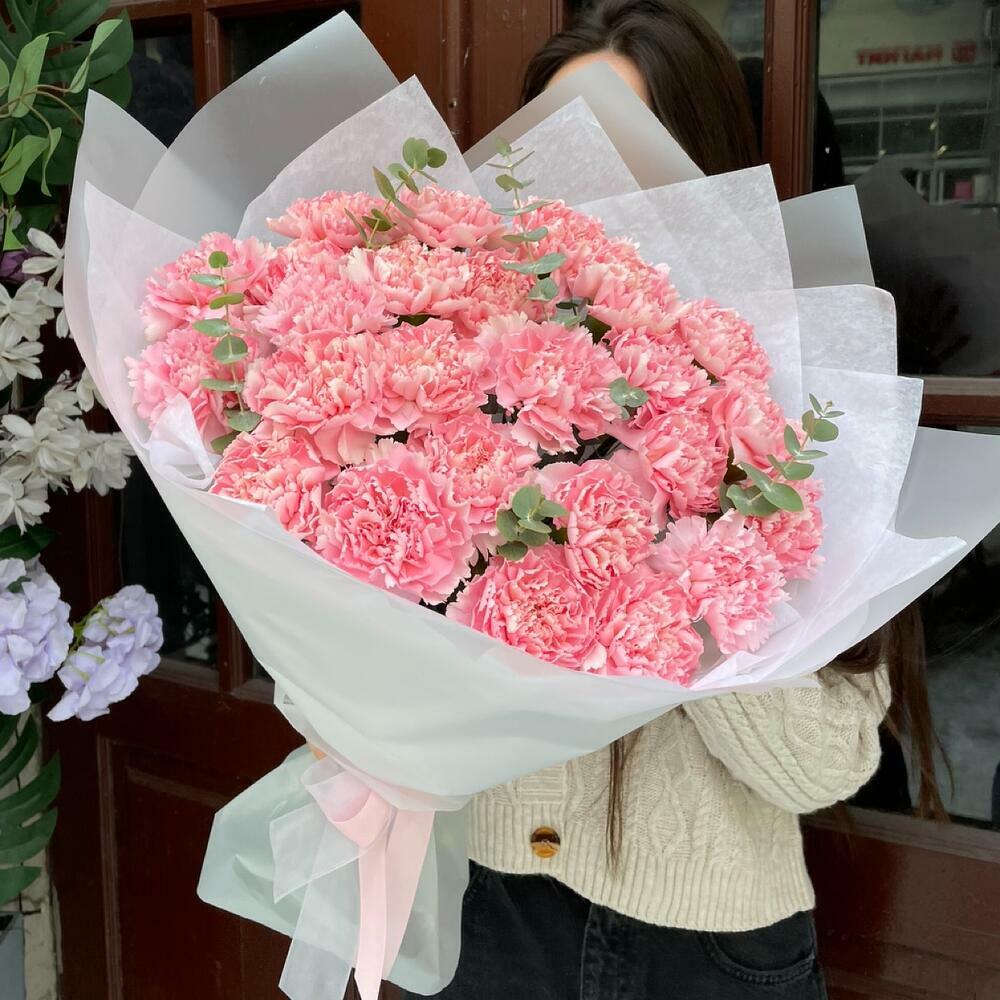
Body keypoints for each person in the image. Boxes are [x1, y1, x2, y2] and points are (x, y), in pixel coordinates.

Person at [404, 4, 942, 998]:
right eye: (556, 151)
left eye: (625, 152)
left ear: (705, 171)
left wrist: (681, 528)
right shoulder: (458, 368)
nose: (588, 192)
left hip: (705, 948)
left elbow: (822, 765)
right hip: (489, 908)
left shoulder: (804, 395)